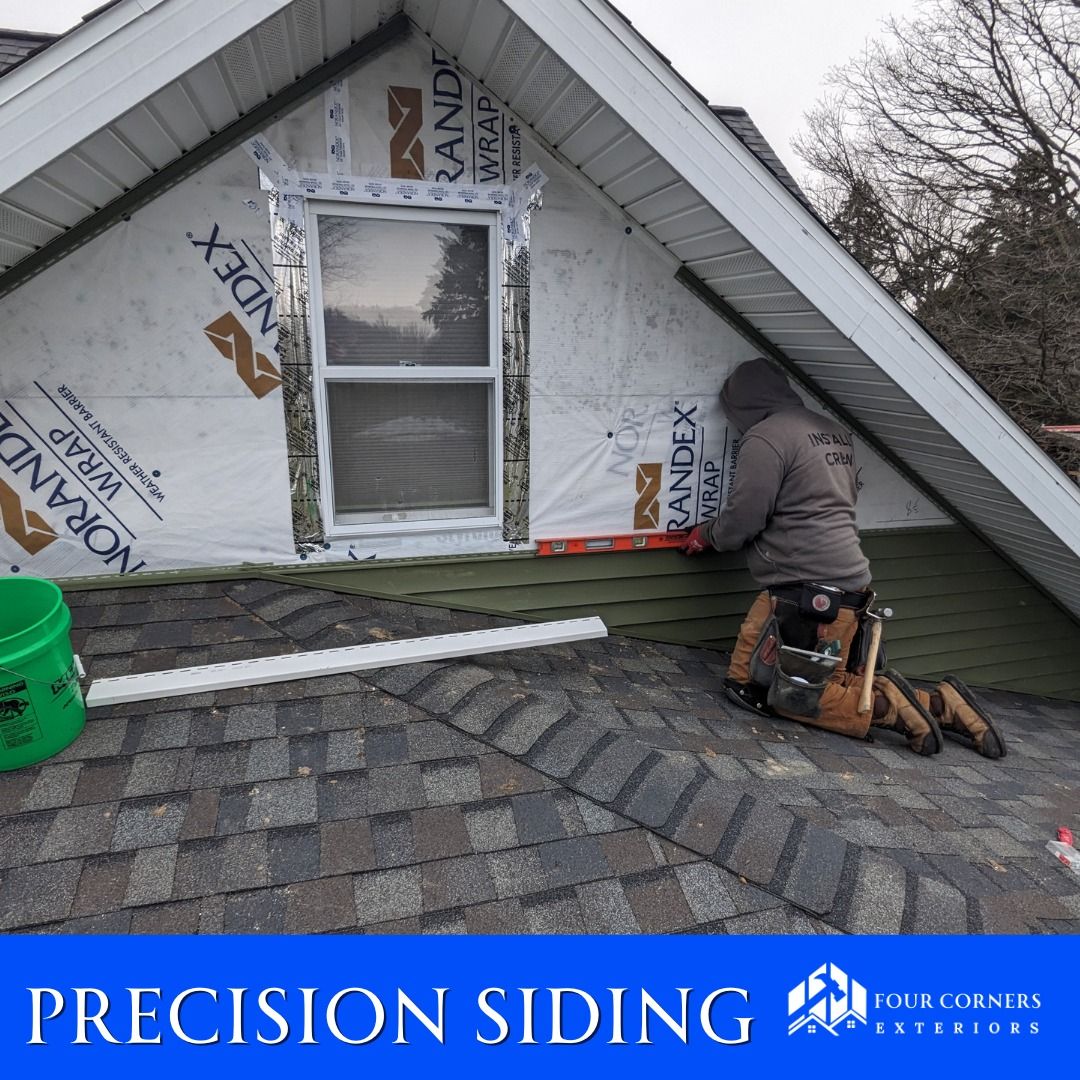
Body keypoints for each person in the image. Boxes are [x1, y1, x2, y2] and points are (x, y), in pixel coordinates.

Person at [680, 356, 1004, 759]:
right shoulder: (830, 431)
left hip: (803, 591)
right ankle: (945, 705)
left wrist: (706, 536)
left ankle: (894, 711)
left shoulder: (766, 438)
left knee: (758, 686)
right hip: (849, 588)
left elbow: (745, 517)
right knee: (832, 681)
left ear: (743, 405)